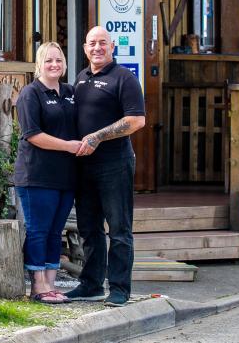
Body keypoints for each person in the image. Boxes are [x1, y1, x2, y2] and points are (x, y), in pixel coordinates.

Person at [65, 26, 146, 307]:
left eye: (102, 43)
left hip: (115, 164)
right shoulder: (81, 78)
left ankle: (120, 288)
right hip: (84, 166)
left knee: (119, 230)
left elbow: (136, 120)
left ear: (112, 47)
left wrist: (98, 136)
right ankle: (91, 284)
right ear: (85, 48)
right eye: (92, 43)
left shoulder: (124, 79)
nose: (97, 48)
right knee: (89, 228)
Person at [14, 41, 84, 304]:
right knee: (38, 230)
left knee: (56, 231)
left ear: (65, 64)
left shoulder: (70, 92)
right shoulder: (31, 94)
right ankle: (37, 287)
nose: (54, 65)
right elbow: (33, 135)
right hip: (37, 175)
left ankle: (52, 286)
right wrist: (68, 146)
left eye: (58, 60)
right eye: (48, 61)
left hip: (65, 176)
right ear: (39, 65)